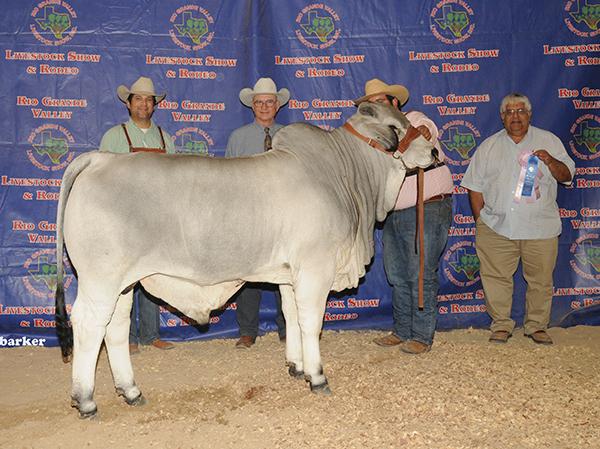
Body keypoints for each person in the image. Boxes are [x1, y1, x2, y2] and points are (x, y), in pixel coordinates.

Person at [461, 93, 575, 345]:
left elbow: (567, 175)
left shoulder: (549, 140)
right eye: (510, 112)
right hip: (496, 227)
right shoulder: (488, 146)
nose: (515, 116)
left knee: (541, 280)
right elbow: (474, 186)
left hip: (541, 227)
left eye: (521, 111)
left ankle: (536, 325)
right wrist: (481, 220)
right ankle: (501, 324)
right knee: (495, 279)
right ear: (502, 117)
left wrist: (550, 160)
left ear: (529, 115)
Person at [356, 79, 453, 355]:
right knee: (397, 273)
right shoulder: (375, 138)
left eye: (381, 102)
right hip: (392, 212)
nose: (376, 107)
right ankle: (402, 330)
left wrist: (417, 132)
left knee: (420, 271)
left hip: (427, 206)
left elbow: (427, 131)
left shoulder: (413, 118)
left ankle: (422, 335)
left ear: (395, 103)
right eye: (371, 104)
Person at [99, 76, 175, 354]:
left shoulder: (165, 139)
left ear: (155, 105)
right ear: (129, 104)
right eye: (138, 99)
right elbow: (102, 180)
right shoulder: (114, 136)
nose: (143, 104)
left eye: (148, 99)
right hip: (123, 218)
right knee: (125, 279)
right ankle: (127, 337)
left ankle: (151, 334)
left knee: (153, 273)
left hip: (157, 219)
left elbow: (174, 182)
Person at [225, 77, 289, 348]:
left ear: (277, 106)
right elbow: (226, 177)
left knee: (286, 273)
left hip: (283, 213)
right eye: (260, 102)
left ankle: (289, 328)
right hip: (248, 213)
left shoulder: (289, 136)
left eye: (269, 102)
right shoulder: (238, 137)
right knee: (249, 272)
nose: (265, 106)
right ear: (253, 106)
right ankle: (247, 330)